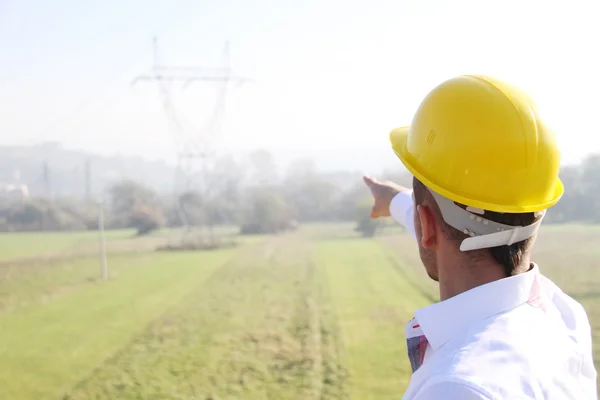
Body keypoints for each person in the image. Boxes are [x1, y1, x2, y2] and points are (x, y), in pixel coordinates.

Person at [364, 75, 597, 399]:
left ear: (426, 224)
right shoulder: (562, 313)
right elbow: (443, 221)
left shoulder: (457, 387)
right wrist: (397, 201)